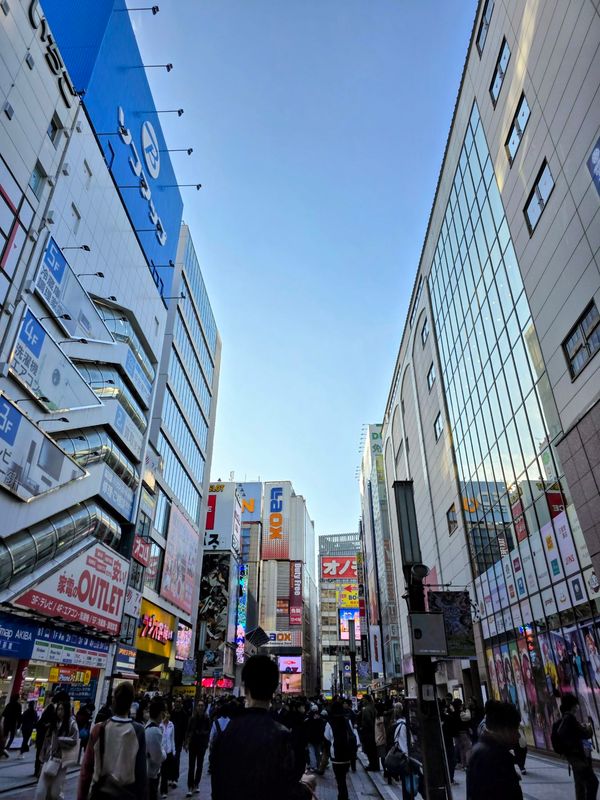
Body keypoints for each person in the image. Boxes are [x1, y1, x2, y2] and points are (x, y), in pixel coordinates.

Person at [210, 655, 313, 800]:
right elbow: (287, 792)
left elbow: (217, 789)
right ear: (274, 690)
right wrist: (307, 788)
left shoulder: (225, 734)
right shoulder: (282, 737)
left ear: (245, 689)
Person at [77, 681, 147, 800]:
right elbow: (141, 773)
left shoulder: (98, 729)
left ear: (113, 701)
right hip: (125, 793)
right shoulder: (138, 731)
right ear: (131, 703)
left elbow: (86, 770)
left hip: (99, 793)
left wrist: (81, 796)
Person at [467, 700, 523, 800]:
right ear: (504, 729)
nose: (518, 735)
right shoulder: (496, 757)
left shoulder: (482, 748)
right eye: (515, 729)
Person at [555, 693, 598, 800]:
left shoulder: (565, 718)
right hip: (577, 758)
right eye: (576, 705)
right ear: (572, 705)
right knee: (593, 783)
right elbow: (586, 734)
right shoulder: (570, 719)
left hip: (573, 758)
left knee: (580, 786)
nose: (577, 707)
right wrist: (588, 727)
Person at [35, 699, 78, 800]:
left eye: (62, 709)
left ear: (67, 710)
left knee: (55, 792)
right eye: (58, 709)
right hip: (49, 759)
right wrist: (42, 758)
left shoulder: (71, 723)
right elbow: (46, 741)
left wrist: (60, 740)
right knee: (41, 790)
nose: (60, 712)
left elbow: (74, 739)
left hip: (61, 762)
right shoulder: (54, 723)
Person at [324, 701, 357, 800]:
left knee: (339, 778)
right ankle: (343, 795)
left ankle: (342, 796)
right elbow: (352, 734)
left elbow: (327, 737)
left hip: (336, 754)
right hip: (347, 753)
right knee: (343, 776)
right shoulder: (347, 720)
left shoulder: (330, 723)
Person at [184, 700, 210, 796]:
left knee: (199, 766)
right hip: (193, 744)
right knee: (191, 766)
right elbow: (188, 731)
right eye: (199, 705)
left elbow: (208, 731)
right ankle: (190, 786)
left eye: (202, 705)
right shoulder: (192, 719)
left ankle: (196, 784)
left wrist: (205, 740)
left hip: (201, 745)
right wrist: (186, 742)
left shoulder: (207, 719)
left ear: (204, 707)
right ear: (196, 707)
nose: (200, 707)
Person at [145, 698, 166, 800]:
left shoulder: (149, 726)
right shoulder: (154, 731)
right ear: (161, 713)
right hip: (151, 774)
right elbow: (158, 757)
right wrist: (164, 752)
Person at [170, 698, 189, 788]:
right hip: (170, 739)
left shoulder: (184, 714)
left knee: (176, 758)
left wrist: (185, 741)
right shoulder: (171, 713)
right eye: (176, 701)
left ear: (181, 703)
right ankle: (170, 777)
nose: (177, 703)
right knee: (170, 758)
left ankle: (175, 778)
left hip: (178, 740)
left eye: (179, 702)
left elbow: (185, 729)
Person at [358, 695, 378, 770]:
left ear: (366, 700)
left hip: (368, 732)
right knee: (373, 750)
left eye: (363, 700)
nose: (362, 701)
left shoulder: (366, 709)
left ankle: (372, 765)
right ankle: (375, 765)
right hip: (374, 732)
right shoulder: (373, 708)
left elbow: (368, 722)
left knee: (369, 750)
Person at [159, 707, 176, 798]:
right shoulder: (159, 725)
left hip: (168, 751)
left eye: (168, 713)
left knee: (165, 772)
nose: (167, 715)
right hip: (161, 751)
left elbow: (172, 738)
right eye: (165, 713)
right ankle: (160, 790)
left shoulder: (171, 725)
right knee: (161, 772)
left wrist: (174, 751)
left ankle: (164, 790)